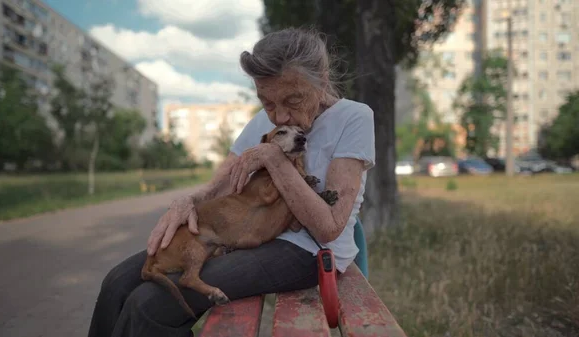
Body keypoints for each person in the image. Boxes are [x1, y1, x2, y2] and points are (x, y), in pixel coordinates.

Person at [87, 27, 375, 337]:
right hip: (244, 234)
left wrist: (274, 159)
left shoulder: (354, 117)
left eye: (293, 100)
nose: (278, 117)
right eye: (267, 103)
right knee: (117, 283)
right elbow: (220, 185)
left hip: (305, 251)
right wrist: (186, 202)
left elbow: (329, 227)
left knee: (150, 304)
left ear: (322, 77)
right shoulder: (264, 122)